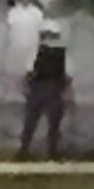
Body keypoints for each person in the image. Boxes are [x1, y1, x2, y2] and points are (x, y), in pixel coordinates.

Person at [18, 19, 70, 160]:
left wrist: (25, 87)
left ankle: (24, 149)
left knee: (31, 122)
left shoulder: (35, 50)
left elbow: (28, 71)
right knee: (53, 124)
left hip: (38, 88)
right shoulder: (63, 53)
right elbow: (68, 74)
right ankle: (52, 151)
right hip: (53, 89)